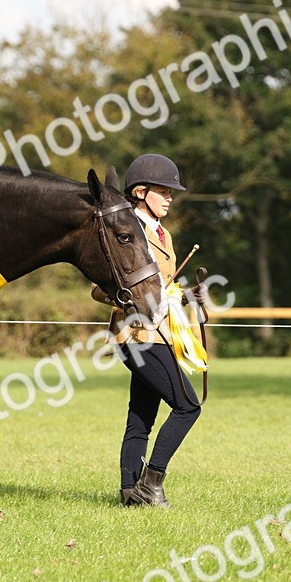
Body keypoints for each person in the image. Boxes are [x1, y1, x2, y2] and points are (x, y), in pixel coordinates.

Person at [91, 153, 205, 509]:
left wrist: (187, 296)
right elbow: (101, 287)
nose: (170, 197)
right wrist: (126, 300)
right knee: (188, 407)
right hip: (137, 337)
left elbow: (161, 288)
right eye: (164, 191)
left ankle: (129, 492)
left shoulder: (162, 233)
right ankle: (151, 484)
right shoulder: (128, 231)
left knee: (140, 416)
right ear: (140, 191)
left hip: (161, 334)